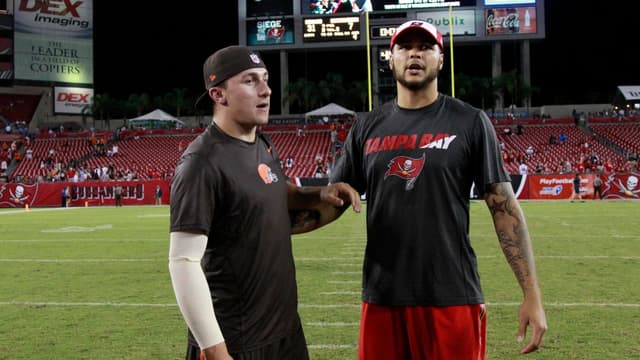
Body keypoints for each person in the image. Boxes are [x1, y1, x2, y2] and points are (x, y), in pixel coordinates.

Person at [330, 20, 547, 359]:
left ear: (440, 59)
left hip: (452, 296)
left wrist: (531, 294)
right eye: (405, 47)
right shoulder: (366, 126)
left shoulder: (470, 121)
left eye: (425, 46)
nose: (415, 53)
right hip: (382, 297)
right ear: (391, 58)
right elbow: (331, 200)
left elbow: (503, 208)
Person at [168, 45, 361, 360]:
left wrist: (319, 194)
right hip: (237, 342)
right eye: (249, 80)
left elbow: (272, 194)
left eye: (266, 79)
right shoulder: (201, 163)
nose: (266, 90)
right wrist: (215, 351)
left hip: (285, 333)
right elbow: (182, 263)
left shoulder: (262, 144)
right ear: (218, 94)